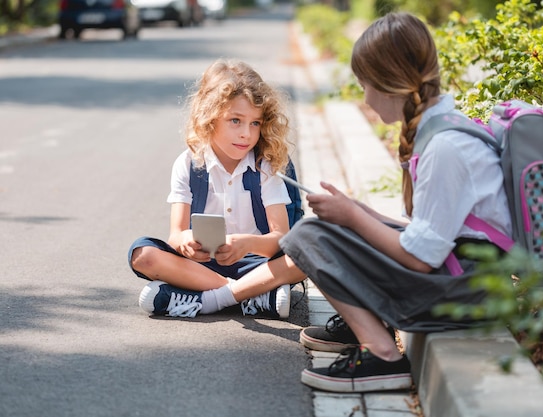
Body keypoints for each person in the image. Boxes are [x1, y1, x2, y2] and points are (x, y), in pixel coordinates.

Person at [204, 11, 511, 393]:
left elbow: (420, 256)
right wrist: (358, 214)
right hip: (467, 281)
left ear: (388, 82)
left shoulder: (445, 147)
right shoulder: (444, 131)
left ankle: (382, 355)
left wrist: (352, 216)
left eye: (365, 84)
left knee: (304, 238)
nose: (364, 96)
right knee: (325, 229)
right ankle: (362, 324)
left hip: (464, 295)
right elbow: (430, 234)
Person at [127, 59, 296, 319]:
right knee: (143, 255)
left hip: (256, 266)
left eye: (255, 123)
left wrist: (246, 244)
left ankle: (203, 299)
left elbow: (281, 239)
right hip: (200, 266)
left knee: (305, 256)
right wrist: (186, 243)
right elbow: (176, 234)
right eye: (235, 120)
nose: (246, 134)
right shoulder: (189, 163)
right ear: (209, 117)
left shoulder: (266, 166)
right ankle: (247, 296)